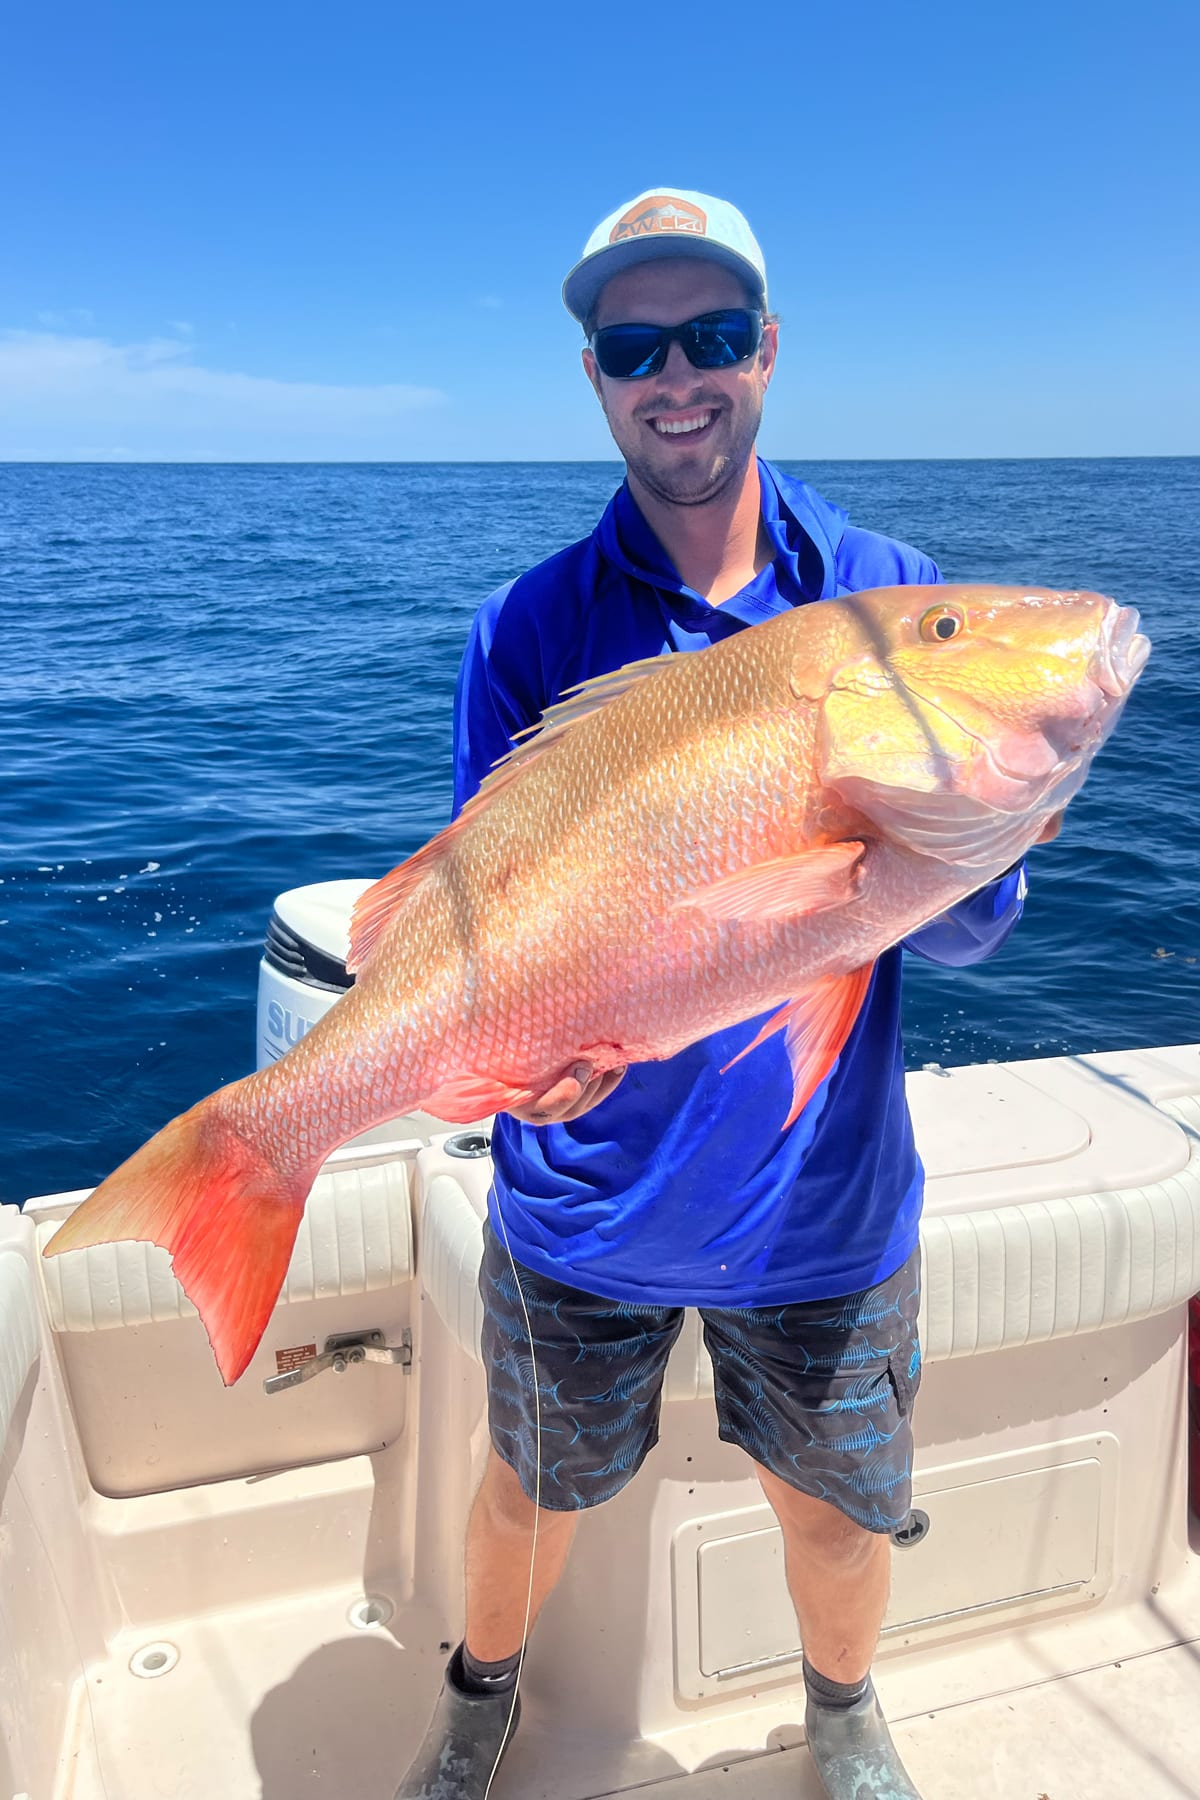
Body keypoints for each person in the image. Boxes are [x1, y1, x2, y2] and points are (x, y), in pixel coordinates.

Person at [396, 188, 1032, 1800]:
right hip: (581, 1205)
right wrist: (519, 1056)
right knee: (530, 1489)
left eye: (713, 336)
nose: (675, 375)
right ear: (595, 375)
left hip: (820, 1207)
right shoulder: (527, 628)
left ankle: (840, 1719)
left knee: (834, 1511)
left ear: (768, 351)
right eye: (632, 346)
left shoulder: (885, 597)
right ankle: (481, 1700)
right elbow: (489, 905)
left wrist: (953, 851)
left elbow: (961, 938)